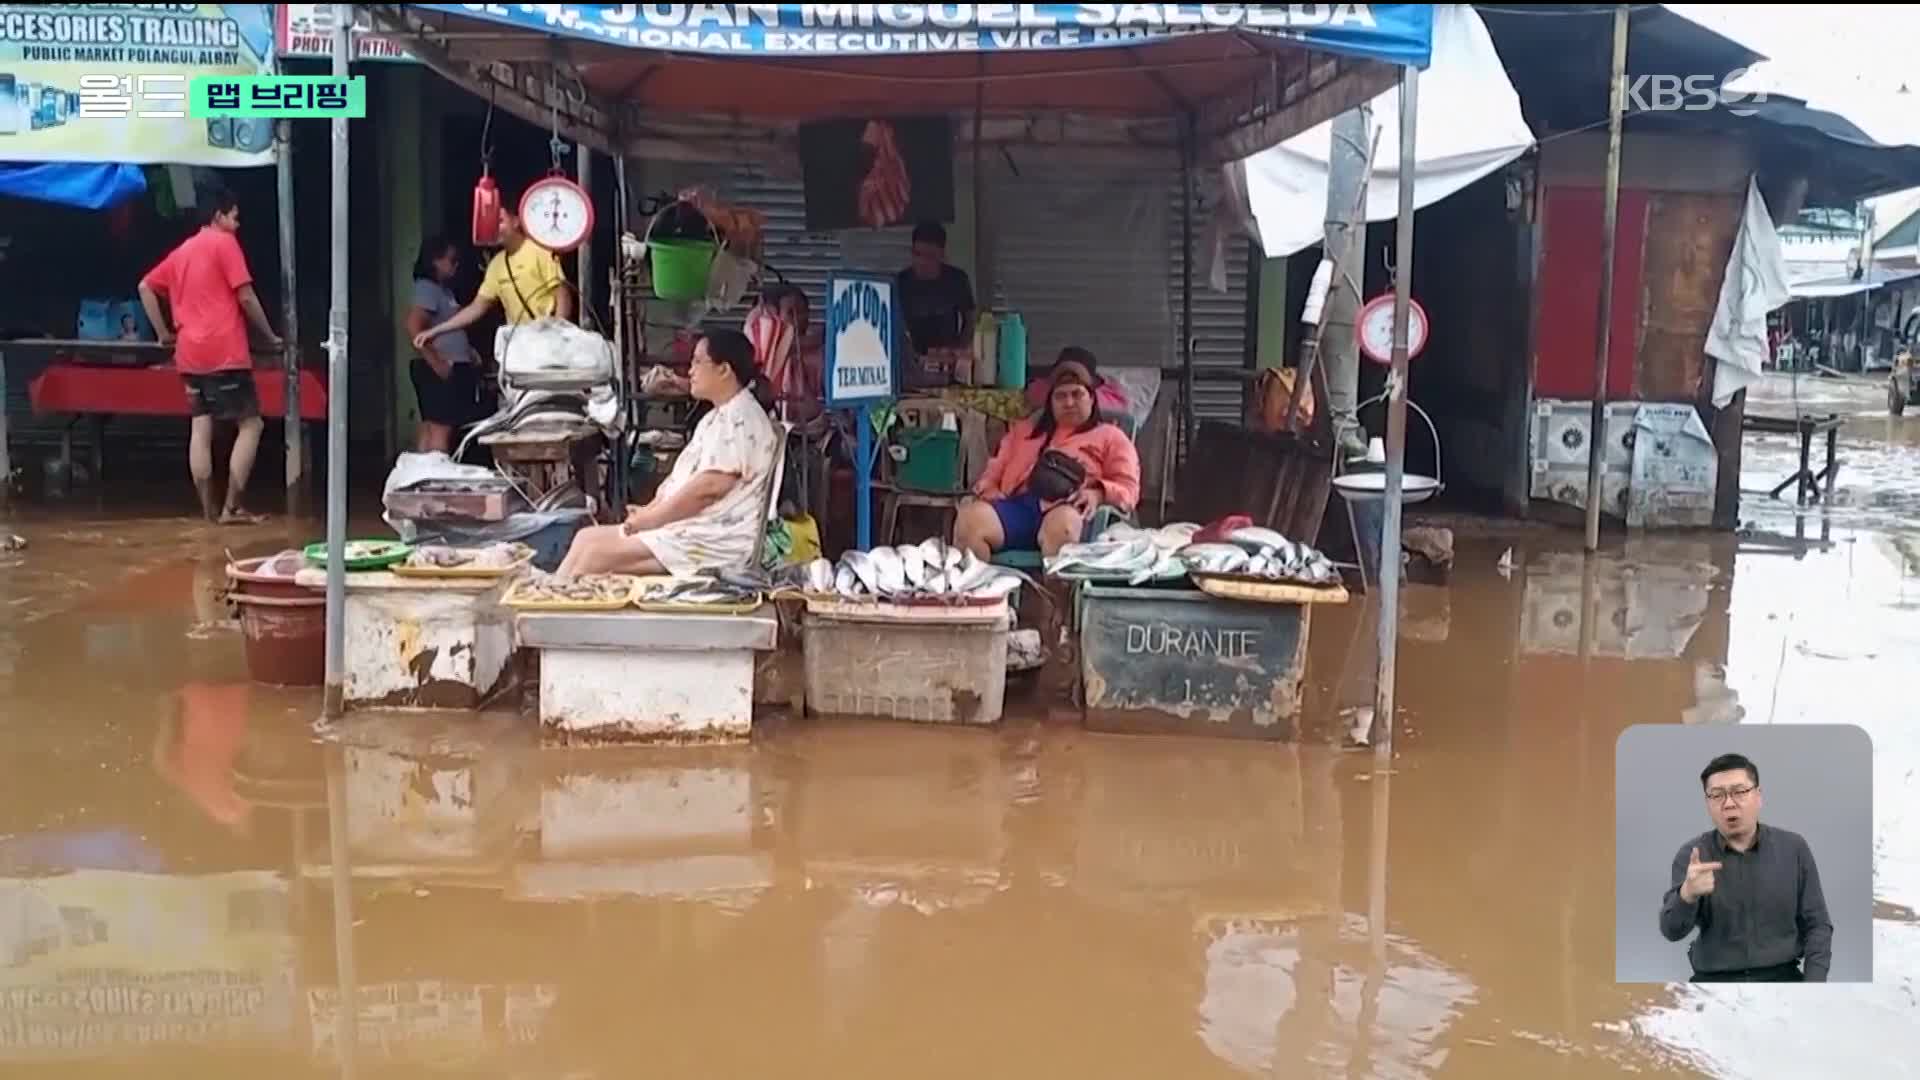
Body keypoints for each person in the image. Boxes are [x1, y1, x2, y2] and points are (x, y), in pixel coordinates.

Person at [557, 329, 779, 577]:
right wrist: (648, 512)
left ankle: (554, 603)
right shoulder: (717, 416)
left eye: (697, 361)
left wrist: (651, 520)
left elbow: (707, 490)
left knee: (593, 558)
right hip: (693, 528)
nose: (690, 371)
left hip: (716, 540)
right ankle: (544, 599)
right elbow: (683, 482)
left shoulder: (741, 418)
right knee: (585, 539)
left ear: (724, 369)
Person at [138, 186, 282, 524]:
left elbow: (145, 286)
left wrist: (163, 333)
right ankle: (231, 509)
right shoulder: (225, 243)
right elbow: (245, 297)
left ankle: (207, 511)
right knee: (251, 424)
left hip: (189, 355)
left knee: (201, 428)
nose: (238, 223)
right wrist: (270, 335)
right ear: (219, 216)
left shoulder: (182, 251)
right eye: (234, 216)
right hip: (224, 352)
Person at [1658, 752, 1833, 983]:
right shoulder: (1692, 856)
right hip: (1714, 984)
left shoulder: (1794, 849)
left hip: (1783, 980)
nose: (1729, 803)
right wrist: (1687, 895)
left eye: (1739, 792)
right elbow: (1671, 931)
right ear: (1707, 803)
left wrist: (1815, 985)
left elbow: (1818, 925)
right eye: (1717, 795)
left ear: (1758, 796)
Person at [954, 348, 1140, 559]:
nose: (1069, 403)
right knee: (969, 521)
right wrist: (990, 489)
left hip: (1068, 510)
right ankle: (983, 590)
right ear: (1050, 402)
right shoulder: (1024, 432)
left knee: (1061, 526)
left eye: (1077, 394)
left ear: (1091, 398)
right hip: (1017, 508)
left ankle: (1052, 593)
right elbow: (995, 468)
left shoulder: (1111, 436)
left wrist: (1097, 493)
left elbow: (1129, 490)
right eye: (1061, 396)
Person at [411, 203, 573, 355]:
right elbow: (477, 307)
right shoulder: (496, 265)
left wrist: (556, 337)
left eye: (501, 221)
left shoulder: (540, 251)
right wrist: (435, 331)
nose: (496, 228)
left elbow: (562, 295)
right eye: (492, 223)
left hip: (549, 342)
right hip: (520, 347)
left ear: (516, 221)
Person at [404, 236, 478, 453]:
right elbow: (413, 325)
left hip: (447, 365)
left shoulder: (443, 291)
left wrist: (468, 351)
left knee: (432, 426)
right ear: (435, 261)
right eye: (451, 259)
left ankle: (423, 475)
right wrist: (438, 364)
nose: (455, 265)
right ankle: (436, 477)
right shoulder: (427, 289)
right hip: (438, 368)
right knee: (440, 429)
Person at [896, 220, 974, 356]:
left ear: (942, 255)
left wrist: (959, 350)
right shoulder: (900, 282)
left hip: (947, 358)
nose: (922, 262)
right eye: (917, 254)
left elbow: (970, 319)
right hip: (910, 359)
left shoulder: (957, 279)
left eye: (930, 256)